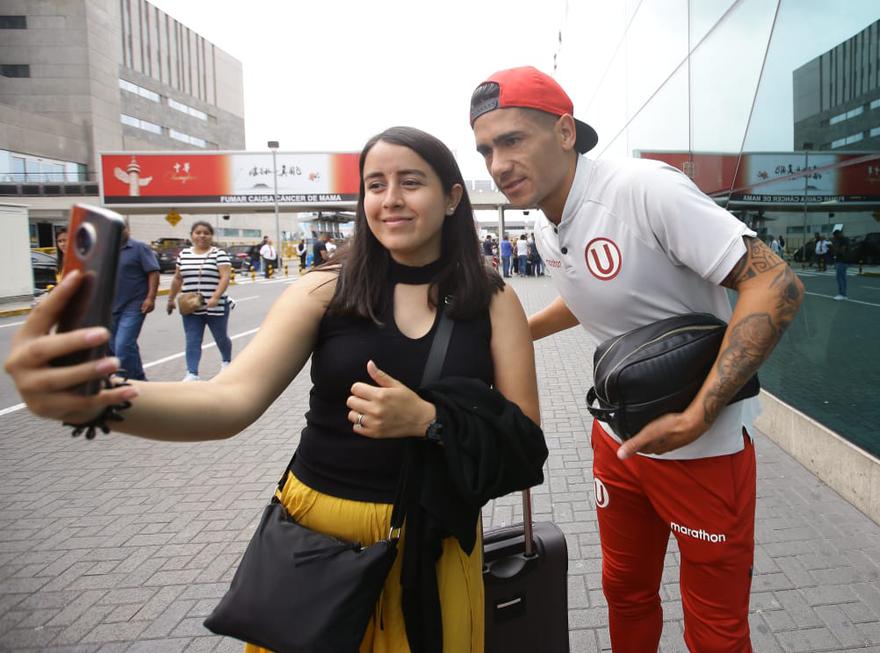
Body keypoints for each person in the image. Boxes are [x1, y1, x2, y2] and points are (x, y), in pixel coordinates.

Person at [5, 126, 543, 653]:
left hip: (436, 545)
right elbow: (228, 402)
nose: (390, 200)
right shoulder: (324, 287)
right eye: (375, 184)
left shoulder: (494, 299)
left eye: (410, 182)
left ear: (452, 198)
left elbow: (526, 444)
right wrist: (103, 398)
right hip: (318, 544)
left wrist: (429, 421)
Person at [470, 66, 804, 653]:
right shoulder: (545, 221)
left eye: (513, 140)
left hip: (700, 445)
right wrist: (508, 337)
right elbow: (588, 298)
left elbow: (776, 285)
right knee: (624, 590)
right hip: (618, 439)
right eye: (486, 149)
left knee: (716, 626)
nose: (498, 164)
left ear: (566, 132)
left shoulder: (643, 189)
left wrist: (700, 412)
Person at [166, 221, 233, 382]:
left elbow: (225, 277)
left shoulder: (219, 254)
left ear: (211, 236)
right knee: (192, 339)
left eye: (206, 233)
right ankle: (192, 373)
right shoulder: (184, 255)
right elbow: (177, 278)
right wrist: (170, 299)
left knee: (220, 336)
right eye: (198, 232)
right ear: (192, 235)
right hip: (191, 306)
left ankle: (226, 362)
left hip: (215, 306)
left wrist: (216, 297)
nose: (202, 235)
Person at [109, 220, 160, 381]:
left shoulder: (139, 248)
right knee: (120, 346)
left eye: (121, 228)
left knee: (122, 345)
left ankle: (121, 381)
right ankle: (140, 379)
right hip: (110, 307)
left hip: (134, 304)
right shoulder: (105, 250)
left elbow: (153, 272)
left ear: (127, 229)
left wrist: (150, 298)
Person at [831, 229, 849, 300]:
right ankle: (843, 294)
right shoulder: (842, 240)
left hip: (842, 261)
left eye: (835, 236)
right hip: (842, 261)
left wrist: (833, 247)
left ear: (838, 234)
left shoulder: (843, 240)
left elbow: (842, 251)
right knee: (842, 277)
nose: (835, 238)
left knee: (840, 277)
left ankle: (842, 294)